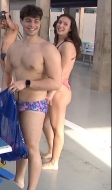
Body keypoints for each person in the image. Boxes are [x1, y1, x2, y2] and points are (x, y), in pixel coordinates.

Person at [1, 5, 62, 190]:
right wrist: (5, 92)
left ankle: (31, 188)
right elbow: (7, 72)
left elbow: (55, 83)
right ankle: (19, 179)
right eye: (28, 20)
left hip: (34, 103)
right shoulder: (14, 48)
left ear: (40, 23)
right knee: (18, 144)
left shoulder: (47, 49)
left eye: (36, 21)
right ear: (21, 21)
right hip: (15, 101)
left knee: (32, 147)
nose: (32, 24)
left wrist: (26, 83)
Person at [41, 14, 82, 170]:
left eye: (65, 24)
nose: (61, 26)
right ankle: (51, 151)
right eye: (60, 22)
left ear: (71, 28)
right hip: (53, 87)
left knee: (57, 127)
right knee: (45, 122)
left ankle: (54, 161)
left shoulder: (68, 45)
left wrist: (51, 92)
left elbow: (63, 73)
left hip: (59, 89)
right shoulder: (59, 43)